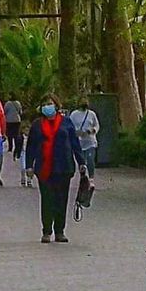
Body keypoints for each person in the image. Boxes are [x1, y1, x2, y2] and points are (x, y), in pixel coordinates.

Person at [25, 93, 89, 243]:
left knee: (61, 199)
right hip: (44, 167)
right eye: (45, 104)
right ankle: (46, 231)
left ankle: (60, 231)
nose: (48, 106)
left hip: (63, 166)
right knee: (47, 199)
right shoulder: (37, 124)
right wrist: (29, 165)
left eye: (50, 103)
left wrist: (81, 162)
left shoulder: (66, 122)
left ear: (56, 105)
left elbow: (74, 143)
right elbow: (31, 146)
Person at [67, 97, 101, 175]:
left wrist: (93, 130)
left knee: (90, 160)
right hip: (79, 143)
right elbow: (70, 126)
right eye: (83, 101)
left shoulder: (91, 114)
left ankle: (91, 179)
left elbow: (97, 125)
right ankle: (83, 178)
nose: (85, 102)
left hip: (90, 142)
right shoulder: (74, 114)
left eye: (86, 101)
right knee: (81, 162)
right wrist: (76, 132)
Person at [1, 94, 25, 182]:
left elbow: (4, 112)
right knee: (16, 134)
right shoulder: (18, 103)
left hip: (9, 120)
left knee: (10, 135)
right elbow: (20, 112)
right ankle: (16, 147)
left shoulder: (7, 104)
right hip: (17, 120)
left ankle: (10, 147)